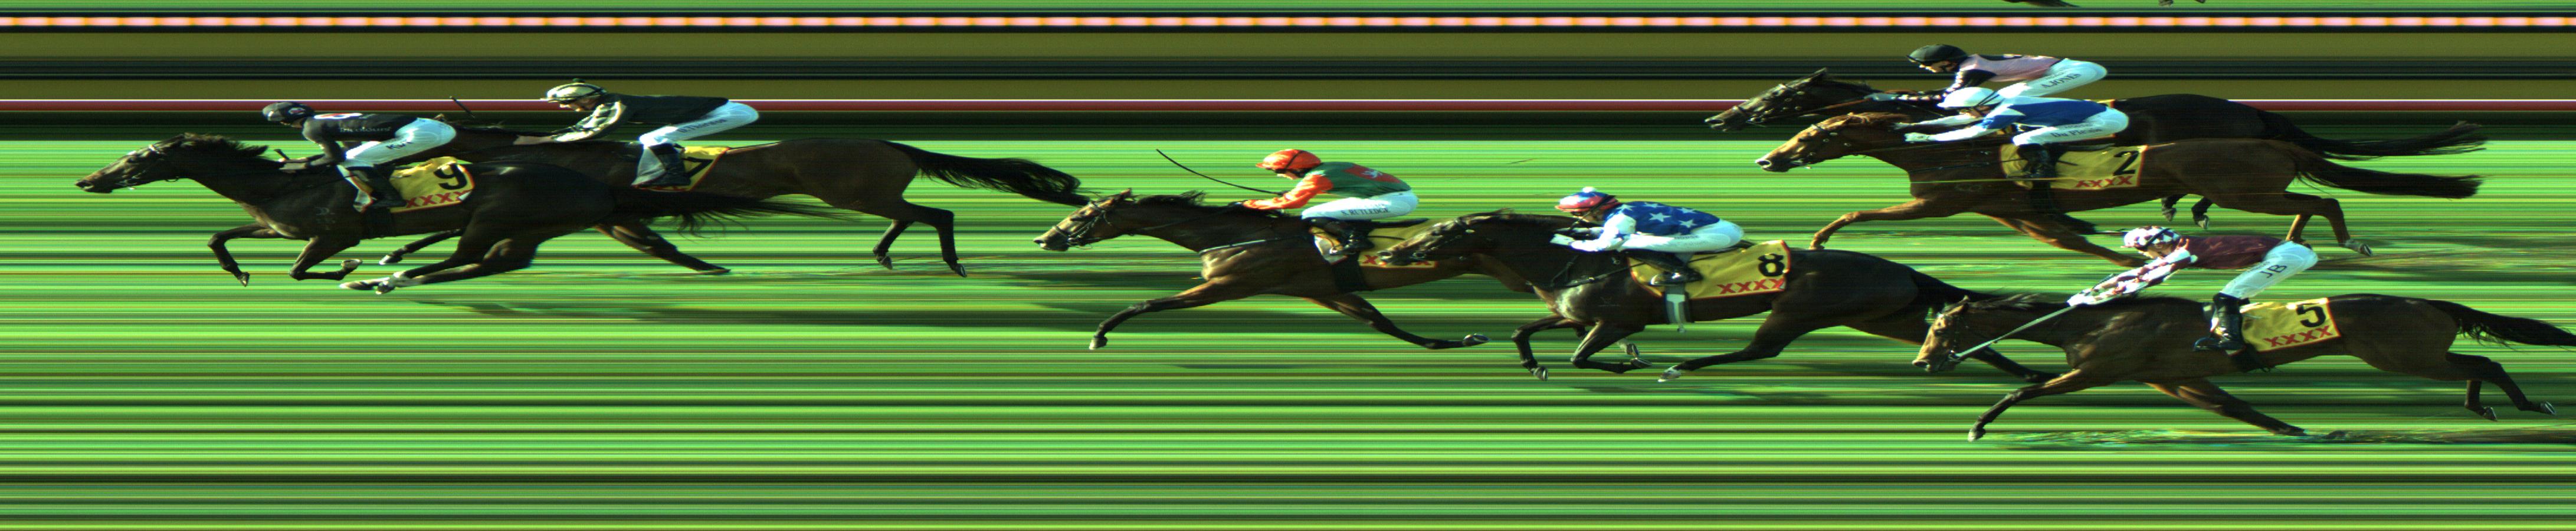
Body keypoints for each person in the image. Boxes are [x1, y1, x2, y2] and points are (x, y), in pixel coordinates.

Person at [2070, 226, 2319, 364]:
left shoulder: (2184, 252)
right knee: (2233, 295)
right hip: (2288, 254)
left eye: (2143, 250)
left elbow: (2151, 278)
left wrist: (2099, 299)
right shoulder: (2183, 246)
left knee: (2227, 297)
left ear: (2158, 244)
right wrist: (2097, 289)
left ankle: (2232, 341)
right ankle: (2245, 331)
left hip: (2288, 255)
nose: (2144, 255)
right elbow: (2143, 271)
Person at [1898, 87, 2129, 224]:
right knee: (2026, 135)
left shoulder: (2006, 109)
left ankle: (2043, 170)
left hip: (2106, 122)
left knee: (2024, 139)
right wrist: (1918, 126)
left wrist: (1930, 139)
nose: (1965, 113)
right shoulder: (2002, 102)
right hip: (2100, 115)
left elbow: (1974, 131)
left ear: (1983, 106)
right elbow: (1964, 119)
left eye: (1967, 109)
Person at [530, 80, 758, 188]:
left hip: (731, 113)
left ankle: (675, 175)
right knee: (652, 138)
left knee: (653, 138)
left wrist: (553, 141)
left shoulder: (616, 104)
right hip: (717, 112)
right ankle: (673, 168)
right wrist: (546, 138)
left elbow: (598, 131)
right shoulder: (608, 103)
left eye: (566, 103)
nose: (565, 107)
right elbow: (582, 127)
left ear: (584, 99)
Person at [261, 101, 457, 214]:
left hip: (423, 134)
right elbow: (350, 148)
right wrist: (304, 160)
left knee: (355, 160)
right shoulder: (323, 119)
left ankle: (392, 198)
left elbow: (337, 159)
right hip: (428, 125)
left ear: (284, 122)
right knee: (357, 156)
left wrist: (301, 167)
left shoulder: (310, 130)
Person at [1550, 187, 1745, 286]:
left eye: (1576, 214)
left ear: (1593, 211)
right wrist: (1591, 232)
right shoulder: (1628, 207)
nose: (1575, 218)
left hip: (1717, 236)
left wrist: (1573, 243)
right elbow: (1627, 229)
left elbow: (1607, 245)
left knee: (1629, 245)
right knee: (1635, 239)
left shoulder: (1619, 219)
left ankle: (1684, 273)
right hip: (1721, 229)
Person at [1235, 149, 1417, 254]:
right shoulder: (1332, 166)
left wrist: (1249, 204)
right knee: (1321, 211)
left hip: (1392, 202)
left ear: (1297, 169)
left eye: (1279, 171)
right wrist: (1293, 193)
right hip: (1394, 196)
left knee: (1311, 213)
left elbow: (1291, 203)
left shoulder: (1317, 177)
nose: (1279, 175)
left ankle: (1356, 240)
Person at [1873, 44, 2107, 103]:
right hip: (2075, 68)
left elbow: (1948, 97)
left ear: (1945, 63)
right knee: (2008, 96)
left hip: (2077, 70)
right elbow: (1949, 92)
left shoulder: (1973, 68)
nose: (1924, 68)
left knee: (2007, 98)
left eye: (1927, 65)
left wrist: (1899, 98)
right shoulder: (1972, 64)